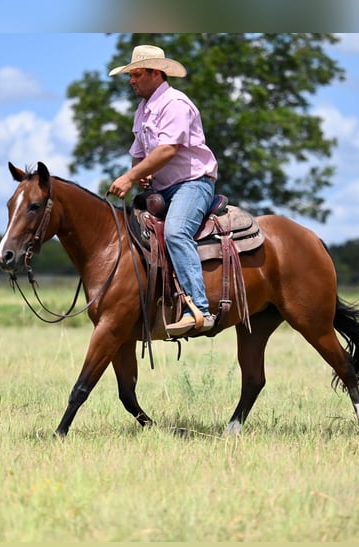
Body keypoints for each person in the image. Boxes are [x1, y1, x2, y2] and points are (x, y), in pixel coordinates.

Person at [109, 45, 219, 337]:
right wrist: (142, 172)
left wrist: (131, 177)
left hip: (193, 183)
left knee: (176, 232)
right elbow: (140, 152)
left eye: (137, 74)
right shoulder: (143, 110)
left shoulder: (175, 104)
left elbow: (168, 150)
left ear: (155, 73)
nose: (131, 81)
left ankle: (199, 309)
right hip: (163, 187)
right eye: (130, 75)